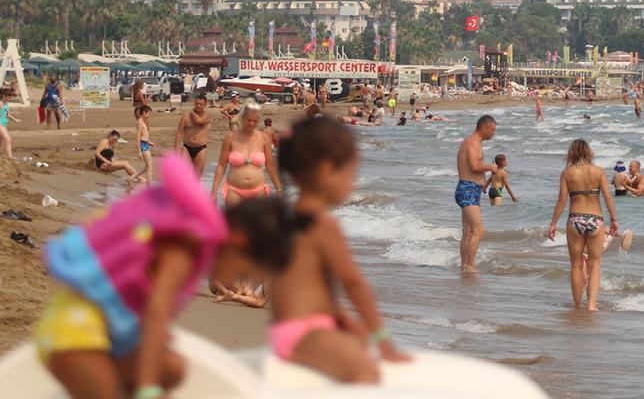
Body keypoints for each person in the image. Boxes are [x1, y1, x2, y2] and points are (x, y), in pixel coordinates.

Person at [34, 154, 304, 399]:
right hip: (75, 334)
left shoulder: (199, 243)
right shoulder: (185, 248)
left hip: (110, 333)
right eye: (243, 272)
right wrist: (148, 387)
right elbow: (156, 314)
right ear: (240, 241)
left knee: (173, 368)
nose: (239, 281)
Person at [274, 116, 410, 382]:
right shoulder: (322, 224)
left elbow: (305, 283)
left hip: (296, 328)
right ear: (327, 171)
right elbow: (353, 283)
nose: (353, 183)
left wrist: (339, 317)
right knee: (367, 372)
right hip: (304, 335)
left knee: (356, 341)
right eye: (352, 173)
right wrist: (382, 339)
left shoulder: (289, 217)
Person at [547, 139, 620, 311]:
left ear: (571, 153)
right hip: (596, 219)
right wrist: (614, 219)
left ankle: (578, 305)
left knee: (576, 265)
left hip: (575, 219)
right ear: (588, 152)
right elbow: (608, 197)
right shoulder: (599, 171)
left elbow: (562, 200)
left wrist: (553, 223)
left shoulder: (567, 173)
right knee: (595, 264)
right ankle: (592, 305)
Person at [211, 100, 282, 206]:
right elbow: (221, 165)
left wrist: (279, 189)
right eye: (249, 120)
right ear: (242, 118)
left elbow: (270, 165)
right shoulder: (230, 137)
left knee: (259, 222)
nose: (252, 124)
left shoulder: (264, 138)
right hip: (234, 190)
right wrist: (213, 192)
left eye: (255, 121)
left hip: (259, 191)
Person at [455, 115, 498, 273]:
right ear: (484, 127)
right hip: (467, 189)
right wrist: (490, 168)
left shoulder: (475, 142)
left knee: (467, 232)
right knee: (478, 230)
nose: (493, 133)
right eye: (492, 130)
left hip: (470, 189)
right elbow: (474, 166)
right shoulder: (472, 142)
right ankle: (470, 266)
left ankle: (464, 266)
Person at [175, 95, 212, 177]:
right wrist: (177, 149)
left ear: (205, 104)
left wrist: (192, 112)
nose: (198, 106)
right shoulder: (186, 116)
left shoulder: (208, 116)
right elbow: (179, 132)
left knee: (196, 176)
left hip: (201, 149)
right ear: (194, 103)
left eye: (201, 104)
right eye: (196, 104)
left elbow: (200, 121)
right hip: (186, 148)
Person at [132, 105, 155, 185]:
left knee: (147, 166)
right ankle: (149, 185)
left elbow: (143, 136)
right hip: (143, 145)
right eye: (149, 114)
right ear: (144, 113)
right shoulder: (140, 123)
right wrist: (139, 151)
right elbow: (138, 137)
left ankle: (131, 178)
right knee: (149, 165)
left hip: (145, 144)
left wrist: (149, 142)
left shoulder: (142, 122)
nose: (150, 116)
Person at [0, 91, 21, 159]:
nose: (10, 99)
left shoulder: (6, 104)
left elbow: (7, 114)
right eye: (8, 97)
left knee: (2, 141)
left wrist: (15, 120)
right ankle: (10, 157)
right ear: (3, 96)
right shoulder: (0, 103)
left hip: (4, 123)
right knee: (8, 139)